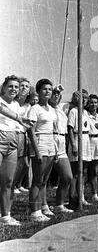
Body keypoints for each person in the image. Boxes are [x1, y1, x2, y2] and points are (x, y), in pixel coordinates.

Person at [0, 75, 32, 226]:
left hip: (12, 141)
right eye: (10, 86)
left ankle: (6, 216)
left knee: (8, 181)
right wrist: (17, 117)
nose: (14, 89)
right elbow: (2, 108)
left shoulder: (17, 105)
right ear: (4, 88)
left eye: (16, 87)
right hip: (0, 138)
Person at [27, 78, 58, 222]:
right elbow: (31, 131)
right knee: (37, 180)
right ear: (38, 92)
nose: (47, 92)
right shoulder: (34, 109)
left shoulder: (52, 109)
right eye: (44, 89)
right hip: (40, 143)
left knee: (44, 180)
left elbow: (53, 129)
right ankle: (35, 212)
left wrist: (55, 149)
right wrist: (37, 151)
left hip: (51, 143)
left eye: (50, 89)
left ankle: (41, 208)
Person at [45, 86, 74, 214]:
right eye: (53, 93)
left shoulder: (62, 109)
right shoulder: (47, 109)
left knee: (67, 177)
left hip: (62, 141)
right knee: (43, 178)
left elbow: (73, 103)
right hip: (51, 140)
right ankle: (43, 206)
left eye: (58, 94)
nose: (56, 95)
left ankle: (59, 204)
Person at [67, 90, 92, 208]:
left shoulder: (85, 112)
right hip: (77, 138)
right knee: (75, 172)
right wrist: (73, 144)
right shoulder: (73, 111)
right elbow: (70, 128)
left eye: (86, 98)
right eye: (83, 98)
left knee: (84, 171)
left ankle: (81, 197)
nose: (85, 100)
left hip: (86, 139)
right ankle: (72, 198)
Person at [13, 77, 31, 195]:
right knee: (15, 162)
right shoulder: (13, 102)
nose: (24, 88)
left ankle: (18, 184)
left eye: (27, 86)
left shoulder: (28, 105)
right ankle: (13, 185)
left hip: (24, 135)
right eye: (22, 85)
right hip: (14, 134)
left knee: (25, 164)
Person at [86, 94, 98, 203]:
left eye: (96, 102)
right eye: (91, 102)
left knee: (95, 170)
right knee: (84, 170)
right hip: (88, 141)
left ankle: (94, 194)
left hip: (97, 142)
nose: (94, 104)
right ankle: (80, 195)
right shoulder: (86, 115)